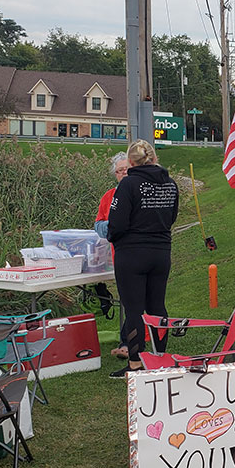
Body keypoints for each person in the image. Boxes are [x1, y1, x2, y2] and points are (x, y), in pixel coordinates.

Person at [107, 139, 179, 378]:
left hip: (132, 253)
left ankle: (136, 363)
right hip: (161, 252)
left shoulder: (128, 184)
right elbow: (172, 217)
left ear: (131, 162)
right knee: (158, 305)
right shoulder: (170, 184)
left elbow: (117, 223)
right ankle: (160, 357)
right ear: (154, 158)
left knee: (134, 309)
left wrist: (113, 236)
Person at [95, 152, 129, 359]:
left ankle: (129, 343)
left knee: (138, 301)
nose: (124, 173)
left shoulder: (141, 193)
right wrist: (116, 226)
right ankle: (130, 340)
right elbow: (98, 226)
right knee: (128, 299)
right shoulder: (109, 196)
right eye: (119, 171)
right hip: (119, 256)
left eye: (127, 169)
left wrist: (118, 227)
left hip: (139, 254)